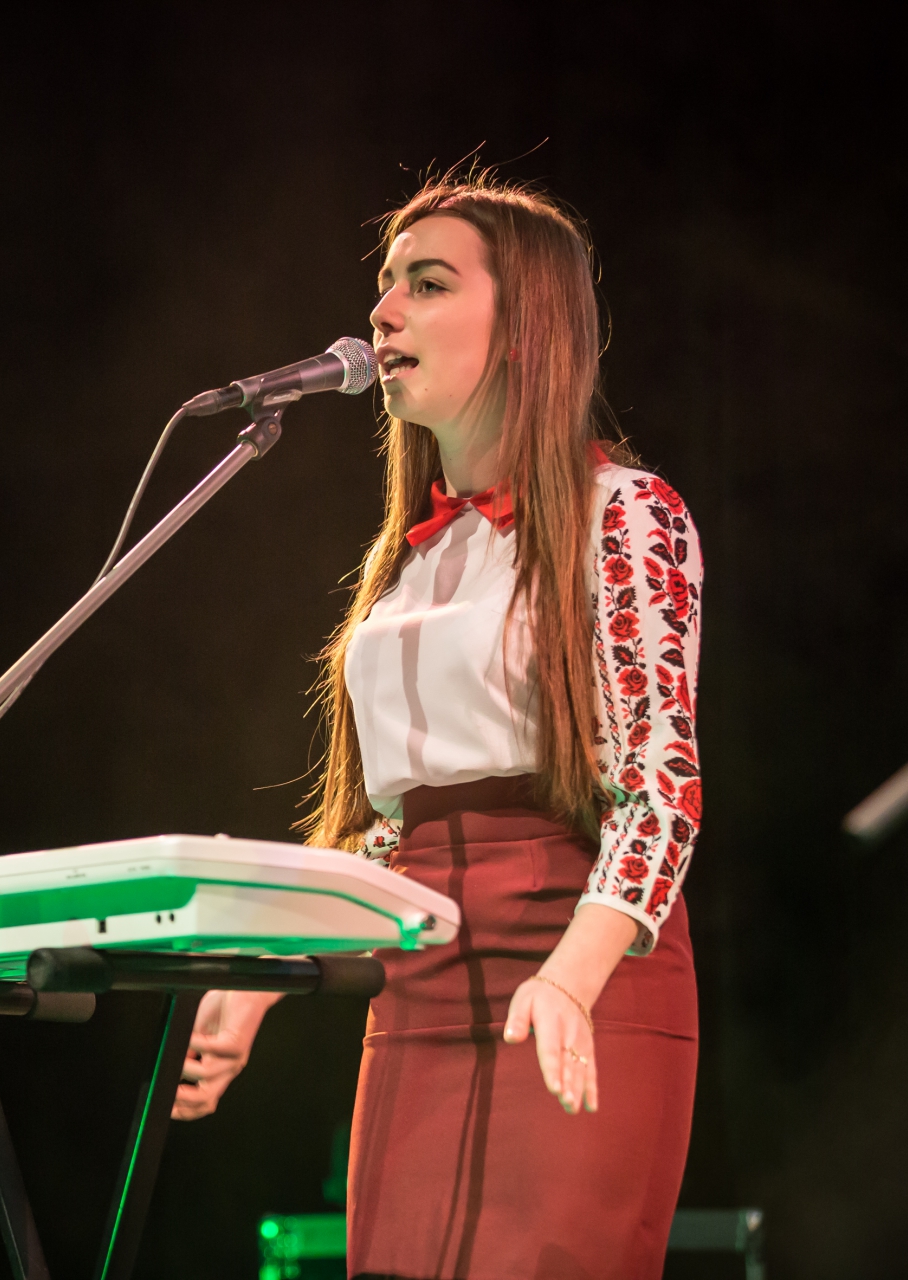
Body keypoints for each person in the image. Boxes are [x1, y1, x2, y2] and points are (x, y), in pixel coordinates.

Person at [174, 174, 702, 1279]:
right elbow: (387, 832)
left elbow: (661, 786)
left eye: (427, 283)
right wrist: (266, 969)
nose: (382, 313)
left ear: (527, 325)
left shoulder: (626, 512)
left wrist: (571, 975)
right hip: (418, 983)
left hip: (581, 971)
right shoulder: (409, 559)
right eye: (385, 286)